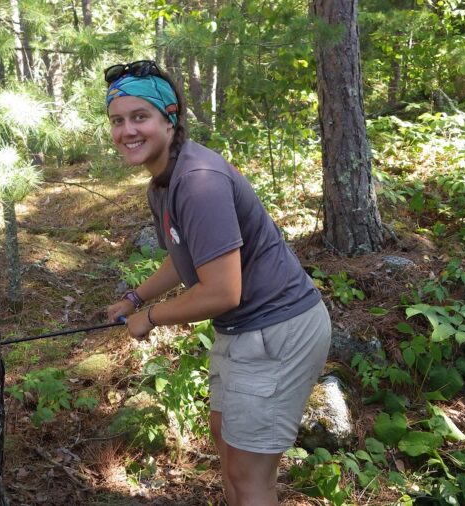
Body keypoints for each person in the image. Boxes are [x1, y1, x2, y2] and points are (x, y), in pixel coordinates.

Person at [104, 60, 332, 506]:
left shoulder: (198, 181)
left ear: (169, 119)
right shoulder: (163, 183)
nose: (127, 131)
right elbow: (184, 259)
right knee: (228, 451)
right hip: (244, 331)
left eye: (140, 117)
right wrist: (134, 298)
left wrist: (150, 317)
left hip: (277, 331)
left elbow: (223, 291)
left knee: (249, 478)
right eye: (117, 120)